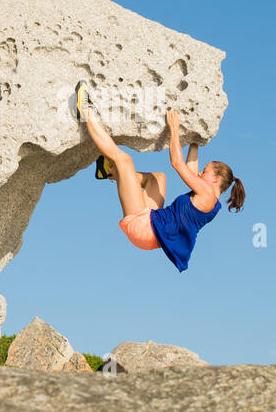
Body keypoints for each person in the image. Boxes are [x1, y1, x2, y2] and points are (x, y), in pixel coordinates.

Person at [73, 80, 245, 272]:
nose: (199, 173)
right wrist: (195, 141)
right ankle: (109, 172)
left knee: (124, 160)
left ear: (216, 179)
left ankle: (85, 111)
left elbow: (178, 164)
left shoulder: (207, 194)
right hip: (152, 228)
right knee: (157, 178)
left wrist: (174, 129)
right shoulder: (211, 201)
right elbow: (189, 168)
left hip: (145, 227)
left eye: (204, 171)